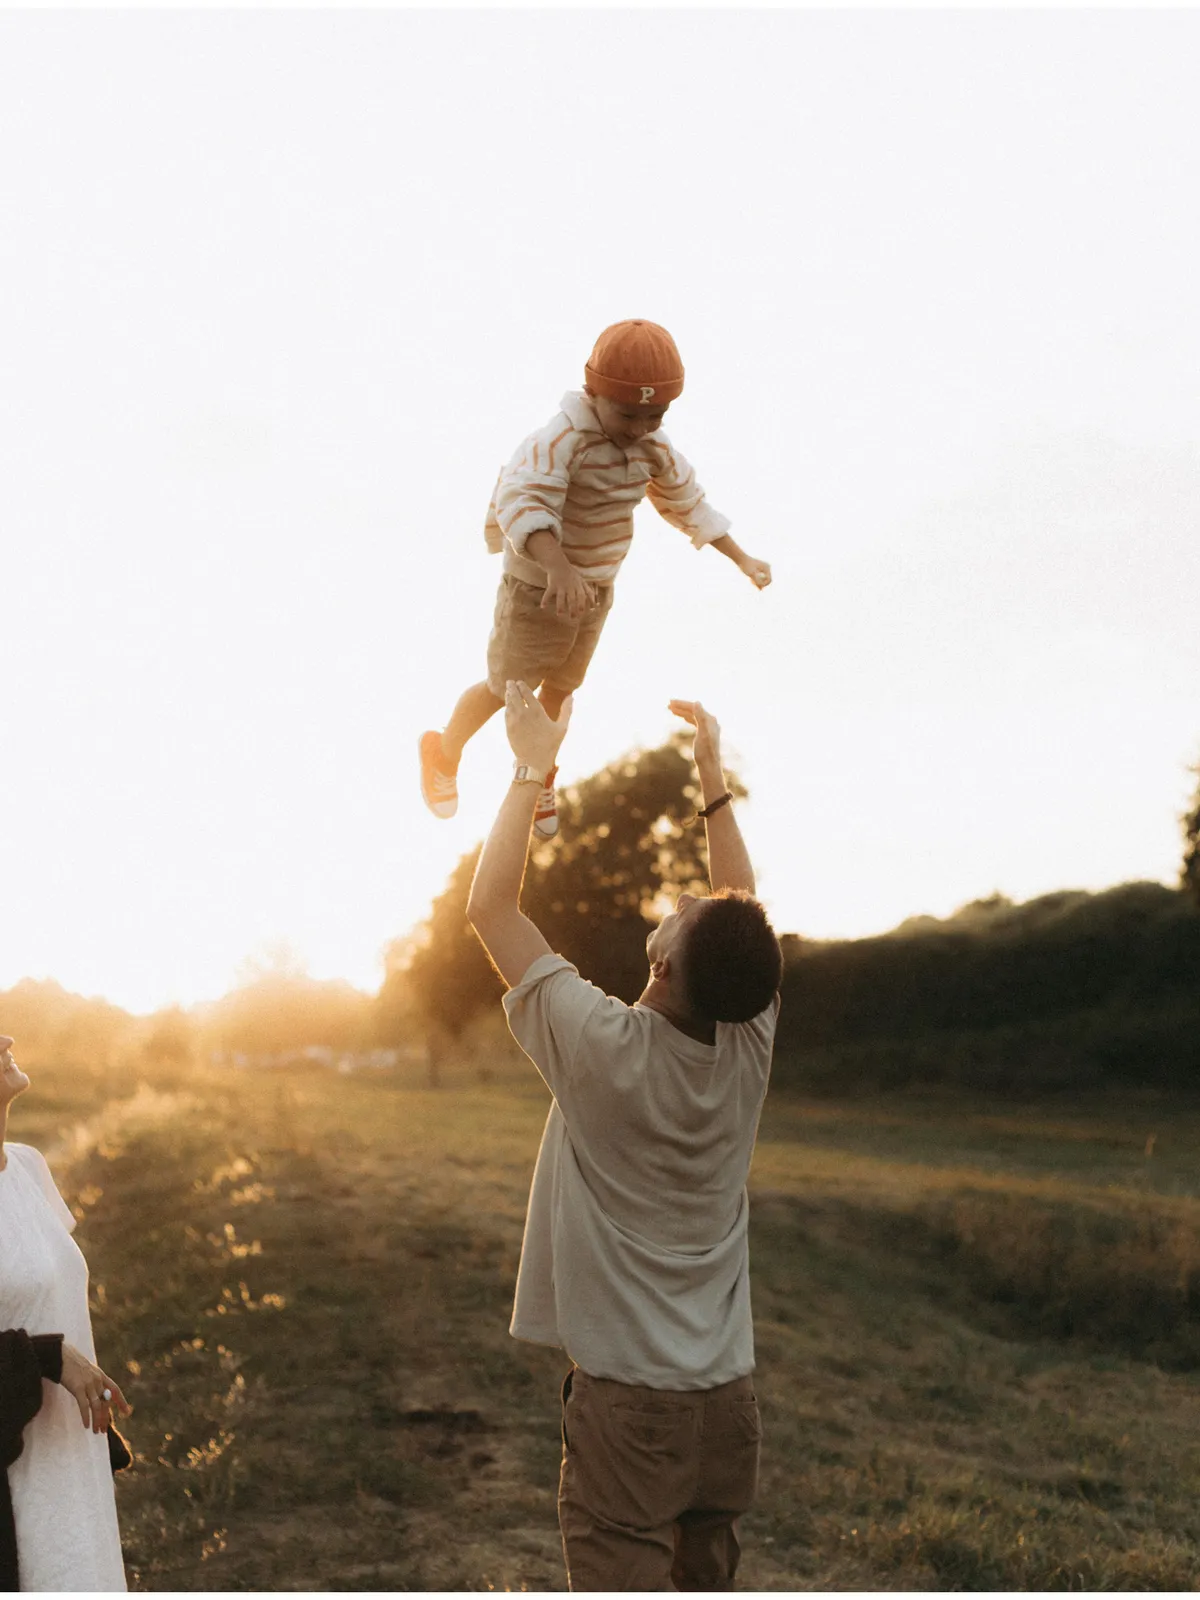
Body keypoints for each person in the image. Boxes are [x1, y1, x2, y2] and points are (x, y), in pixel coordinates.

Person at [466, 685, 782, 1592]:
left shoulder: (600, 1046)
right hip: (727, 1406)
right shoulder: (749, 1035)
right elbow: (741, 907)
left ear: (665, 962)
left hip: (631, 1411)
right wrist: (712, 782)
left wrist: (531, 768)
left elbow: (492, 909)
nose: (687, 894)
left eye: (684, 910)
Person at [418, 318, 773, 839]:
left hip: (594, 590)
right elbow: (523, 500)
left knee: (561, 686)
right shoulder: (560, 439)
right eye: (629, 413)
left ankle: (541, 773)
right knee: (507, 689)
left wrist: (741, 558)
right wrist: (557, 567)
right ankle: (443, 752)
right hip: (537, 585)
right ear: (593, 392)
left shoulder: (653, 446)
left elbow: (685, 502)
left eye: (657, 414)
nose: (641, 427)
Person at [0, 1035, 132, 1592]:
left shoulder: (28, 1168)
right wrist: (46, 1356)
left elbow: (52, 1293)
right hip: (15, 1477)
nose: (6, 1038)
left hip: (73, 1458)